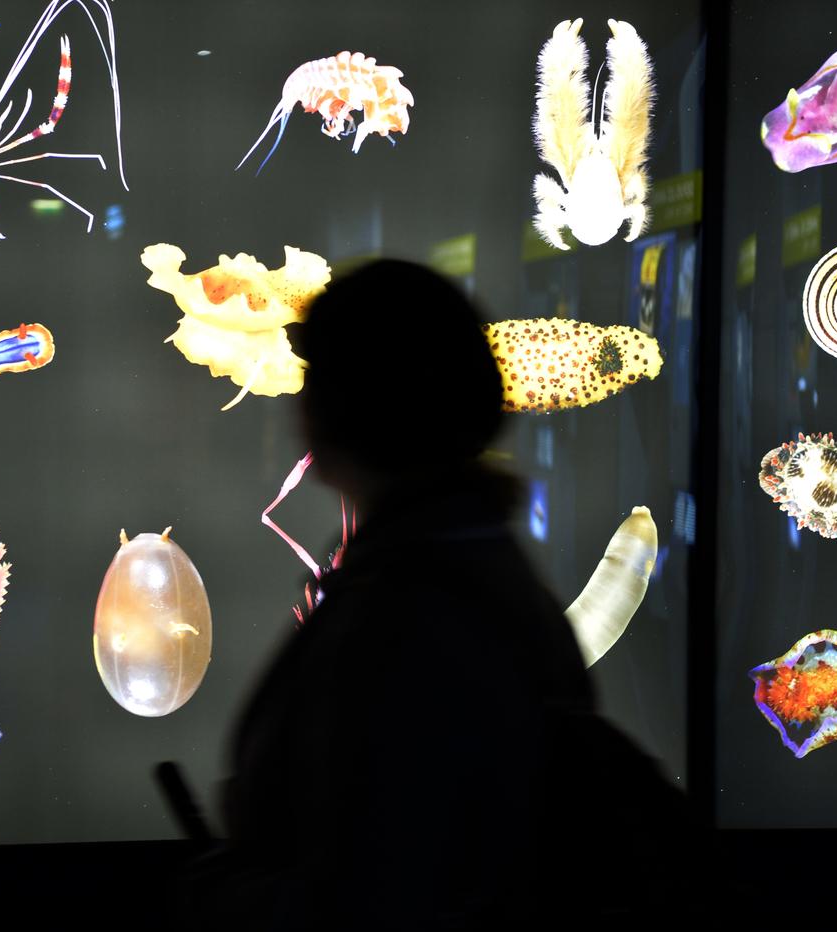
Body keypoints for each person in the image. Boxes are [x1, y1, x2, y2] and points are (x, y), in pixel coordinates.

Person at [180, 260, 686, 928]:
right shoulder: (478, 583)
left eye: (317, 376)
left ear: (338, 407)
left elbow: (381, 899)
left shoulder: (407, 616)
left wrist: (222, 899)